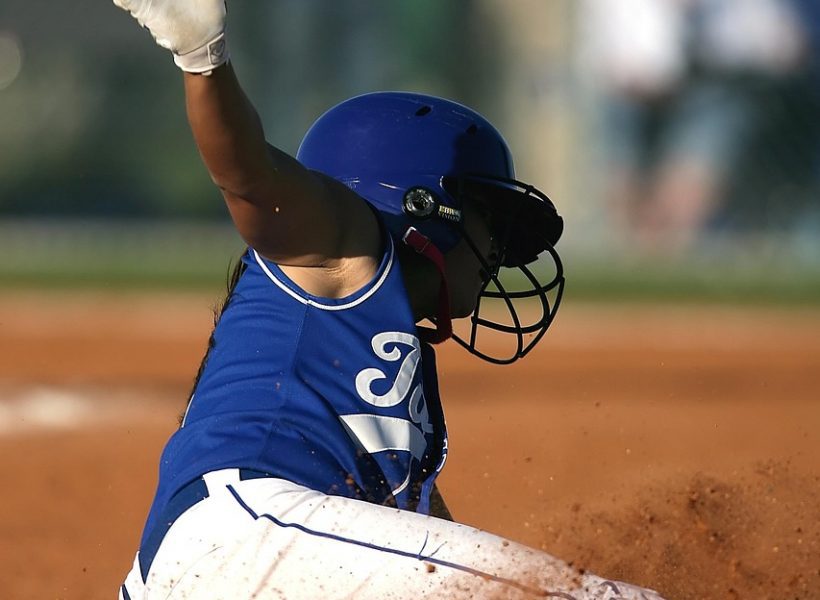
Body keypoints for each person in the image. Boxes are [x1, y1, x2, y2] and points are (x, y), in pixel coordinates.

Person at [112, 1, 666, 598]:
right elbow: (249, 179)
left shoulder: (397, 371)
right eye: (490, 220)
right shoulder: (342, 248)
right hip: (247, 532)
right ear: (422, 205)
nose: (501, 250)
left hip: (220, 561)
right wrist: (203, 61)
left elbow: (426, 556)